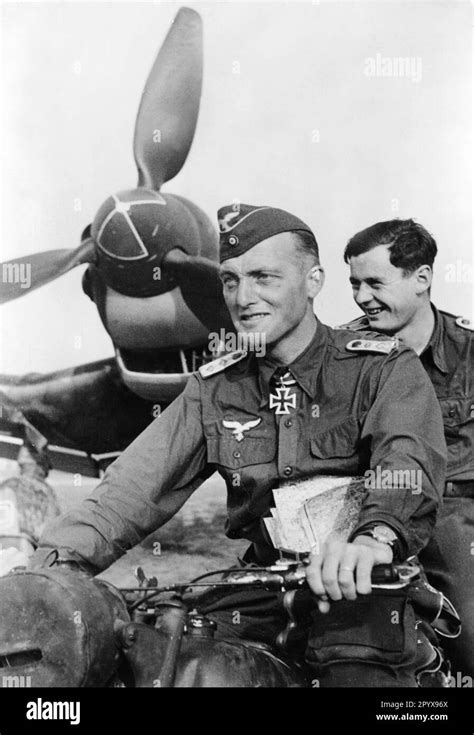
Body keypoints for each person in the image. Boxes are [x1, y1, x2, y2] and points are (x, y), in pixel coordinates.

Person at [31, 204, 447, 687]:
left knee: (358, 669)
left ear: (313, 281)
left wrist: (373, 541)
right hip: (260, 593)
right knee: (159, 662)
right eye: (230, 280)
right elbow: (128, 493)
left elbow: (406, 462)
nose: (243, 297)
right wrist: (47, 567)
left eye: (264, 277)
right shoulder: (213, 387)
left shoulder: (379, 368)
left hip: (362, 589)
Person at [341, 218, 473, 681]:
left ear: (422, 279)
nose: (361, 297)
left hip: (453, 514)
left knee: (472, 639)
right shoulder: (342, 354)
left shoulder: (469, 350)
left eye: (375, 282)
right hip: (363, 511)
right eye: (354, 283)